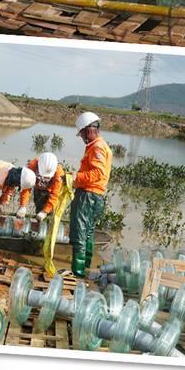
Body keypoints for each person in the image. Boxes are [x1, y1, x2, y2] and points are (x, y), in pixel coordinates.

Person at [70, 111, 113, 277]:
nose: (82, 137)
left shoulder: (97, 147)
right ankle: (86, 269)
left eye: (81, 134)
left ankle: (78, 273)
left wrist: (77, 176)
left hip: (88, 197)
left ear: (87, 131)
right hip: (97, 197)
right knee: (87, 233)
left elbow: (98, 174)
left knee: (78, 234)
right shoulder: (100, 146)